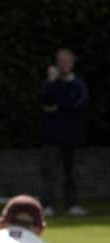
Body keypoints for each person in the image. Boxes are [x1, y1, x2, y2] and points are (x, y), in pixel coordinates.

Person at [40, 48, 89, 217]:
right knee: (49, 173)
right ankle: (48, 206)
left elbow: (75, 105)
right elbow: (45, 101)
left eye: (66, 61)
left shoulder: (78, 85)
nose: (63, 65)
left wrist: (58, 104)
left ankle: (72, 205)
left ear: (72, 64)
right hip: (51, 136)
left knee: (72, 173)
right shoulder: (50, 83)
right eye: (60, 61)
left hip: (72, 136)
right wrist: (52, 83)